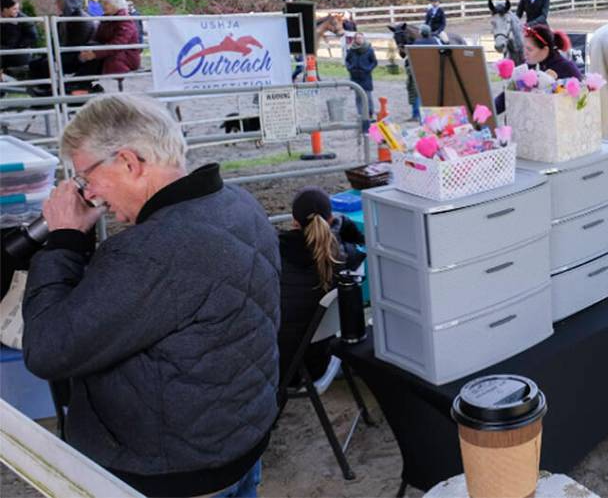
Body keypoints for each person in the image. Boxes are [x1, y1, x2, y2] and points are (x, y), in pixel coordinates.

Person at [21, 93, 280, 497]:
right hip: (236, 447)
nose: (88, 195)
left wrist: (66, 241)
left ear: (128, 162)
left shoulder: (153, 250)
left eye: (86, 178)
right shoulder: (235, 203)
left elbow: (47, 349)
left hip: (170, 474)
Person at [278, 187, 364, 389]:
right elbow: (360, 244)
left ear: (294, 222)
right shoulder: (342, 258)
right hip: (321, 360)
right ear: (331, 218)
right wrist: (344, 225)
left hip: (282, 368)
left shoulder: (276, 254)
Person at [493, 24, 580, 115]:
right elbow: (506, 97)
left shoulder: (567, 68)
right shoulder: (530, 66)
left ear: (545, 50)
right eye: (524, 48)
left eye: (529, 50)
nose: (525, 53)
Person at [73, 0, 141, 91]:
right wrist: (88, 50)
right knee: (90, 50)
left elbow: (118, 44)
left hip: (124, 57)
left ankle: (79, 84)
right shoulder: (107, 19)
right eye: (102, 3)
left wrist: (95, 54)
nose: (102, 6)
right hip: (111, 52)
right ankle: (80, 84)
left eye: (106, 3)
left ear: (116, 4)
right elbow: (96, 38)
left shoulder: (125, 20)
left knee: (95, 57)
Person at [345, 32, 378, 131]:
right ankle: (360, 114)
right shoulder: (351, 50)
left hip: (366, 76)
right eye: (357, 38)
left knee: (367, 96)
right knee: (358, 96)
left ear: (363, 39)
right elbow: (347, 61)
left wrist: (368, 69)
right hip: (355, 76)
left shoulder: (369, 49)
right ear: (355, 39)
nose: (359, 39)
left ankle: (370, 114)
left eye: (361, 38)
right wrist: (350, 68)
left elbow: (374, 62)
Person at [1, 0, 39, 71]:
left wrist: (19, 45)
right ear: (5, 10)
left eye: (18, 8)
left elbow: (33, 36)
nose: (17, 11)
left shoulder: (22, 19)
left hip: (19, 52)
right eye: (14, 9)